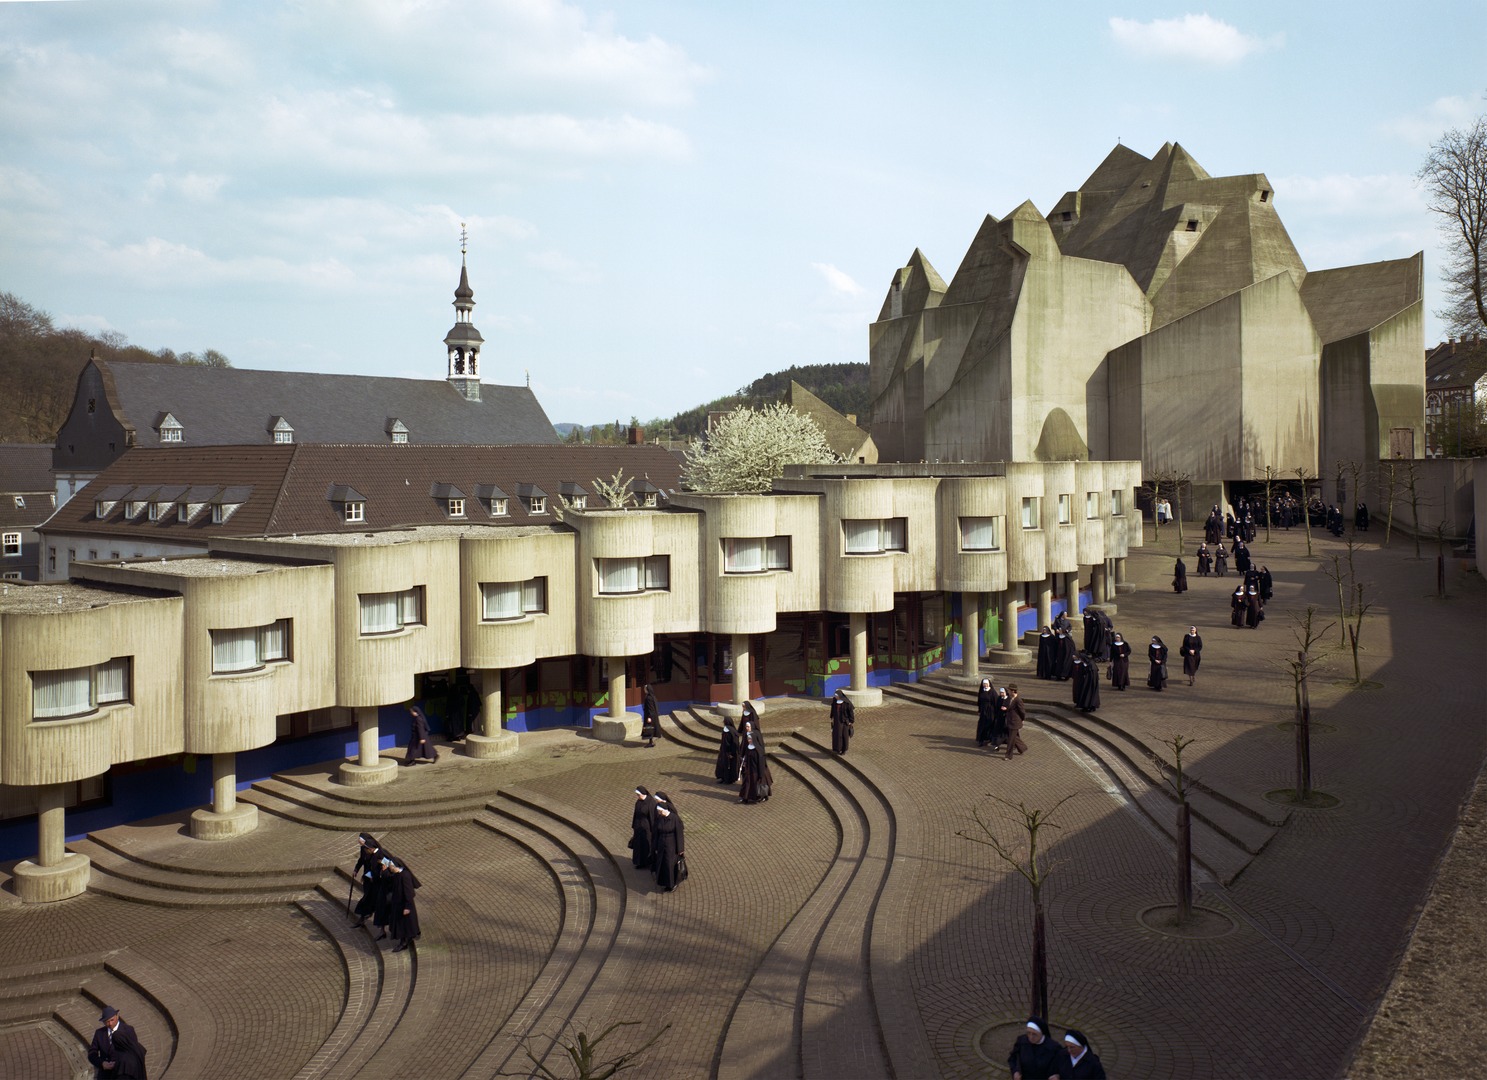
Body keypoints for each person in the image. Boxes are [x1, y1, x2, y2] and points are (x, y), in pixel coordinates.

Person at [89, 1005, 147, 1079]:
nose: (110, 1024)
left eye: (112, 1020)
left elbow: (133, 1052)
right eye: (107, 1022)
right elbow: (92, 1054)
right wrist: (102, 1063)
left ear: (117, 1016)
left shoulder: (128, 1030)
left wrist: (119, 1063)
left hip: (123, 1072)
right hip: (106, 1075)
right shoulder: (99, 1033)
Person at [384, 855, 421, 953]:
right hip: (398, 903)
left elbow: (409, 892)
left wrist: (407, 907)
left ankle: (404, 942)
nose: (390, 868)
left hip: (404, 905)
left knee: (404, 924)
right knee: (405, 923)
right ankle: (407, 937)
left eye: (391, 867)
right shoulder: (397, 874)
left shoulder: (405, 876)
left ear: (395, 866)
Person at [652, 790, 686, 891]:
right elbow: (656, 833)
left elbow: (679, 835)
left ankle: (672, 884)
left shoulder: (674, 819)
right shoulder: (659, 819)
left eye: (660, 811)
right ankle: (665, 883)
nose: (659, 813)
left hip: (672, 846)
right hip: (662, 844)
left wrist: (680, 849)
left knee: (670, 864)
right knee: (662, 864)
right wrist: (655, 846)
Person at [351, 832, 386, 928]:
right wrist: (356, 869)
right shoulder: (364, 849)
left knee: (372, 897)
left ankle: (367, 914)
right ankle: (364, 915)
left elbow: (384, 867)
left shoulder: (380, 854)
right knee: (367, 896)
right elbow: (362, 860)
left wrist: (377, 874)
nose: (364, 849)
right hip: (368, 878)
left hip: (376, 881)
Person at [738, 720, 773, 804]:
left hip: (756, 771)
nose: (749, 740)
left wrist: (760, 775)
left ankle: (762, 796)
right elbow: (746, 756)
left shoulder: (759, 751)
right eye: (748, 739)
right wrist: (744, 763)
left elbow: (761, 764)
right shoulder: (748, 747)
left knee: (757, 786)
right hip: (749, 770)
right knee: (747, 784)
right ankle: (744, 798)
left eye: (750, 739)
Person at [629, 786, 655, 870]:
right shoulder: (638, 802)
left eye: (638, 794)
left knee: (646, 846)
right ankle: (639, 862)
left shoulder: (651, 803)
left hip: (646, 828)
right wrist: (634, 825)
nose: (637, 796)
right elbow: (635, 814)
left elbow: (652, 817)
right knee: (638, 846)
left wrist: (653, 830)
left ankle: (648, 862)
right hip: (638, 827)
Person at [1003, 684, 1027, 759]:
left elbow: (1022, 711)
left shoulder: (1018, 700)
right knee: (1015, 737)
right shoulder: (1011, 698)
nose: (1008, 692)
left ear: (1013, 691)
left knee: (1011, 739)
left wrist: (1022, 719)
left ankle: (1008, 755)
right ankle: (1022, 748)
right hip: (1010, 720)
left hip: (1015, 722)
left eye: (1009, 690)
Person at [714, 715, 739, 783]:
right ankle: (723, 777)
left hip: (729, 752)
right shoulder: (730, 731)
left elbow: (733, 743)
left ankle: (729, 779)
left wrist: (731, 753)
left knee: (729, 766)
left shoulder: (730, 732)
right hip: (724, 751)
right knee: (723, 765)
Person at [829, 688, 855, 753]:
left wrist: (851, 721)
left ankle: (844, 749)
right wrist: (832, 717)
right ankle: (837, 749)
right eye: (835, 696)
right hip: (837, 722)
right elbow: (833, 710)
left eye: (837, 696)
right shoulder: (834, 701)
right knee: (836, 735)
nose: (836, 697)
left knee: (844, 735)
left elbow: (851, 712)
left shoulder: (846, 703)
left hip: (844, 721)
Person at [975, 678, 996, 747]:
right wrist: (979, 710)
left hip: (991, 712)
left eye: (986, 684)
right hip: (983, 711)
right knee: (982, 725)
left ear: (989, 684)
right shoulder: (981, 691)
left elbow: (996, 702)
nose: (985, 685)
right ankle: (981, 740)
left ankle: (988, 739)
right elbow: (979, 702)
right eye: (984, 684)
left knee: (989, 725)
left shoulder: (992, 692)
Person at [640, 684, 659, 748]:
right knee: (651, 729)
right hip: (653, 716)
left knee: (649, 729)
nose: (644, 690)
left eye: (645, 689)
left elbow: (650, 708)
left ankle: (651, 742)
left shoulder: (649, 698)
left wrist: (649, 717)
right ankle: (651, 741)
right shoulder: (652, 696)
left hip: (650, 716)